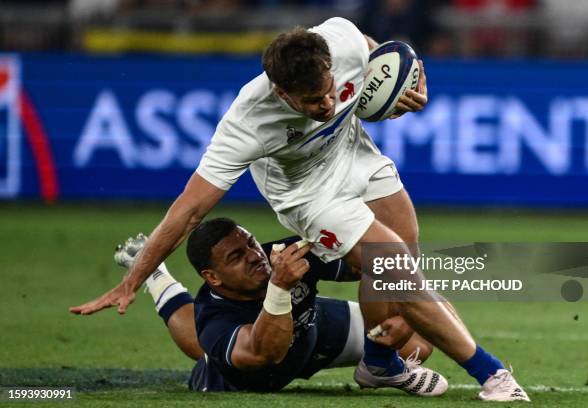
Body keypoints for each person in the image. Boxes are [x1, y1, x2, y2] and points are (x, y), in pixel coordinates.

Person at [70, 17, 529, 401]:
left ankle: (379, 363)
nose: (328, 104)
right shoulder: (246, 123)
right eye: (312, 101)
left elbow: (388, 55)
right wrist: (134, 279)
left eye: (330, 91)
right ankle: (491, 375)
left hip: (352, 152)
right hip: (307, 193)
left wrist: (411, 82)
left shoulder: (342, 41)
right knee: (390, 264)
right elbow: (188, 211)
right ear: (281, 92)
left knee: (403, 257)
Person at [111, 219, 446, 394]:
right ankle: (155, 275)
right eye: (237, 257)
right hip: (253, 368)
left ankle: (374, 370)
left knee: (417, 339)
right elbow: (267, 352)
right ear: (213, 276)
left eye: (251, 243)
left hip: (314, 328)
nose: (255, 256)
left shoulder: (284, 254)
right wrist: (280, 287)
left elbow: (373, 264)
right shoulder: (215, 317)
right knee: (202, 346)